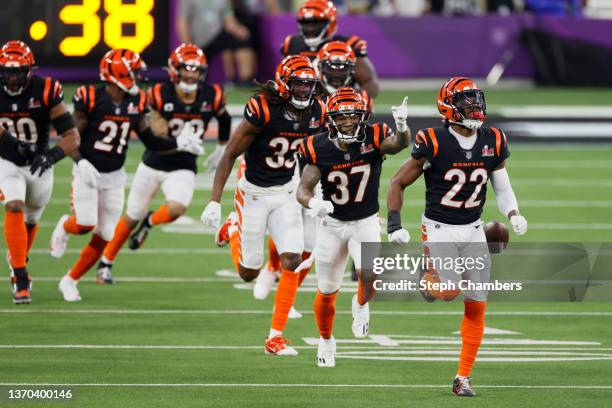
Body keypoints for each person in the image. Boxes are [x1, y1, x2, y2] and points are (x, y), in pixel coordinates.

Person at [386, 77, 528, 396]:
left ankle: (463, 377)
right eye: (468, 104)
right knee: (449, 291)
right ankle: (427, 276)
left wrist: (514, 214)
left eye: (477, 102)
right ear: (449, 109)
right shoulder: (433, 140)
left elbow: (502, 188)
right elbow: (397, 182)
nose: (476, 109)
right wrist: (394, 224)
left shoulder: (493, 139)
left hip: (474, 226)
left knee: (477, 304)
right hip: (438, 226)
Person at [52, 49, 203, 301]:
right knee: (84, 224)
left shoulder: (137, 101)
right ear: (118, 75)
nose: (138, 78)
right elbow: (72, 137)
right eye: (133, 73)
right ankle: (64, 227)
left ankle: (70, 279)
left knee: (105, 235)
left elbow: (151, 141)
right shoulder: (89, 97)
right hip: (87, 170)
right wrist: (79, 162)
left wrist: (179, 142)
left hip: (115, 175)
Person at [201, 55, 326, 355]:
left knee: (292, 260)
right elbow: (231, 153)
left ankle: (275, 337)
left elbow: (322, 155)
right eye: (298, 85)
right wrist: (215, 200)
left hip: (286, 191)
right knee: (248, 273)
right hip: (254, 193)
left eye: (308, 85)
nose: (304, 91)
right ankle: (232, 227)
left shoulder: (317, 110)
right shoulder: (262, 108)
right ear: (284, 84)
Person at [84, 44, 231, 283]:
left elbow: (223, 119)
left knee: (177, 208)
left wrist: (222, 147)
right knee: (131, 216)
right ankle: (106, 263)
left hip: (183, 165)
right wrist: (177, 141)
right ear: (174, 70)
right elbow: (156, 132)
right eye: (187, 69)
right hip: (154, 162)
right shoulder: (159, 93)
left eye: (196, 70)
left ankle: (150, 222)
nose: (192, 75)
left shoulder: (211, 94)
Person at [297, 88, 410, 366]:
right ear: (331, 119)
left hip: (365, 221)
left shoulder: (374, 136)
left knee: (370, 280)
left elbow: (399, 144)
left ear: (363, 117)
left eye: (353, 116)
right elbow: (303, 189)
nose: (348, 122)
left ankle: (360, 304)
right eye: (342, 116)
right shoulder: (317, 146)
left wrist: (403, 126)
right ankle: (326, 341)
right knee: (326, 291)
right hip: (332, 225)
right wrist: (314, 205)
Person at [0, 40, 80, 304]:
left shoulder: (46, 89)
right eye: (7, 72)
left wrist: (51, 156)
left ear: (30, 71)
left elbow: (71, 137)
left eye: (17, 72)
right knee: (13, 205)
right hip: (7, 160)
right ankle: (21, 276)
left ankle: (17, 259)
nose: (12, 79)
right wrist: (15, 144)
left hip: (39, 163)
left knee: (32, 219)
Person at [281, 0, 379, 98]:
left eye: (316, 23)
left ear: (331, 22)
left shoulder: (349, 45)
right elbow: (282, 79)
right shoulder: (292, 44)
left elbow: (370, 83)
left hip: (338, 107)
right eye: (306, 23)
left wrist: (350, 101)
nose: (310, 28)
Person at [177, 0, 256, 85]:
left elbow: (229, 20)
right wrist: (188, 45)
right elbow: (183, 22)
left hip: (217, 36)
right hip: (197, 41)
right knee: (193, 79)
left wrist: (239, 30)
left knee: (242, 40)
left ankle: (245, 80)